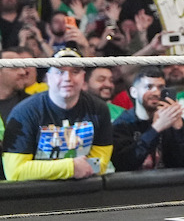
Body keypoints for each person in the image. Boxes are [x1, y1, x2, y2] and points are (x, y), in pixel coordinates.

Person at [1, 48, 113, 181]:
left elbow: (101, 164)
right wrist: (70, 167)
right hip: (37, 196)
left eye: (75, 72)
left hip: (83, 192)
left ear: (83, 77)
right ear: (48, 78)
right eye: (60, 72)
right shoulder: (24, 112)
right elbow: (15, 172)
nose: (67, 78)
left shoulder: (99, 109)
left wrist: (78, 168)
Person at [111, 66, 184, 171]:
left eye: (161, 87)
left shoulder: (171, 121)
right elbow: (124, 164)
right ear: (134, 92)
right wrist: (155, 129)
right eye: (149, 87)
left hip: (168, 183)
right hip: (134, 185)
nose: (156, 93)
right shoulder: (121, 124)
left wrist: (179, 130)